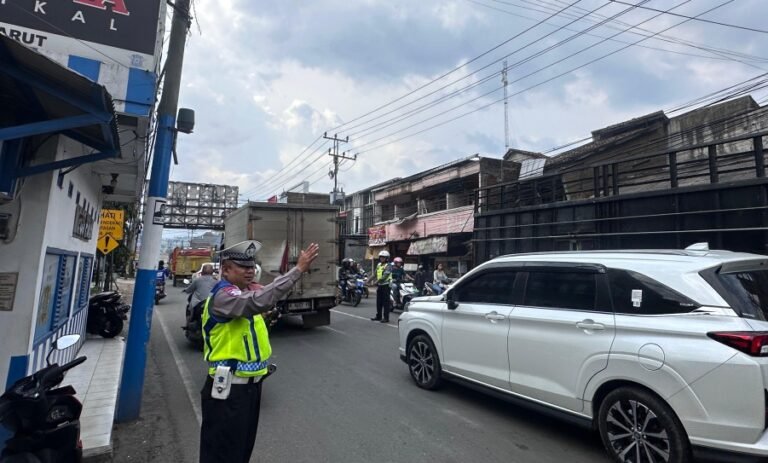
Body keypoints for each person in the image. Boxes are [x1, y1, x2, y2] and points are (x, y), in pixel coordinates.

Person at [199, 240, 320, 463]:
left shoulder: (242, 294)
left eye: (251, 267)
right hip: (228, 391)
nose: (250, 271)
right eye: (243, 267)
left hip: (250, 389)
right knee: (222, 454)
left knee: (240, 451)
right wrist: (297, 270)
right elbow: (258, 301)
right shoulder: (223, 297)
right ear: (225, 269)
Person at [370, 250, 392, 323]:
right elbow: (374, 274)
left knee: (386, 303)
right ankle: (378, 316)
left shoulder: (388, 266)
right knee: (378, 302)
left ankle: (386, 318)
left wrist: (375, 282)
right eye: (381, 257)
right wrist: (368, 281)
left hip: (386, 286)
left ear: (387, 258)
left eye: (383, 257)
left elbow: (385, 276)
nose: (381, 259)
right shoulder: (379, 265)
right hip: (380, 286)